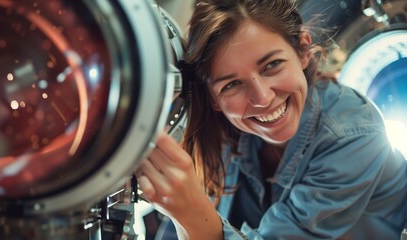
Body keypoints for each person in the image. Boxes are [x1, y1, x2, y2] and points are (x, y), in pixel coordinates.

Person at [135, 0, 407, 239]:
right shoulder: (225, 132)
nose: (262, 98)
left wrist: (194, 215)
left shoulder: (355, 136)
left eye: (272, 65)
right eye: (232, 84)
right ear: (214, 100)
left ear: (302, 50)